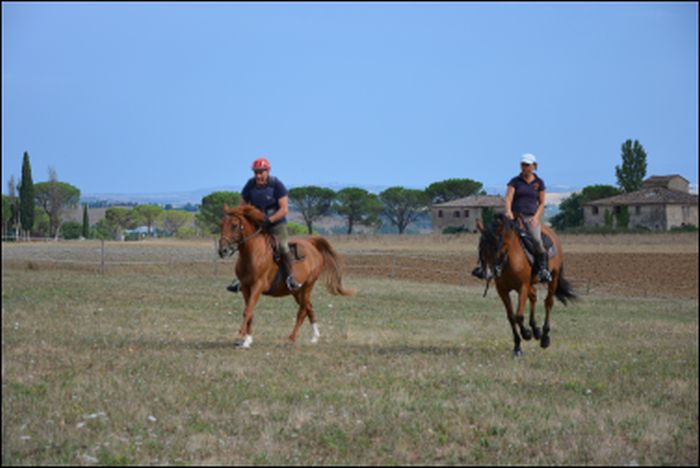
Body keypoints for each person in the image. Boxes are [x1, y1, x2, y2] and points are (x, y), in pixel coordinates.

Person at [472, 153, 552, 283]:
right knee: (491, 236)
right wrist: (508, 211)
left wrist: (536, 217)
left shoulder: (539, 183)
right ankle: (483, 267)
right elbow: (509, 197)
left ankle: (543, 270)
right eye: (522, 165)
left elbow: (542, 202)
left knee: (537, 241)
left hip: (531, 217)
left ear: (534, 166)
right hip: (513, 216)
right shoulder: (514, 181)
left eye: (527, 165)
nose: (524, 167)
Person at [227, 157, 303, 293]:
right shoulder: (250, 185)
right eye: (256, 172)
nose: (258, 175)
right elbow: (242, 206)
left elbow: (284, 209)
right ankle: (241, 279)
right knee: (245, 245)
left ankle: (290, 278)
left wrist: (270, 220)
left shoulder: (277, 185)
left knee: (283, 246)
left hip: (276, 224)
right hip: (257, 225)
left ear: (268, 171)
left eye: (261, 172)